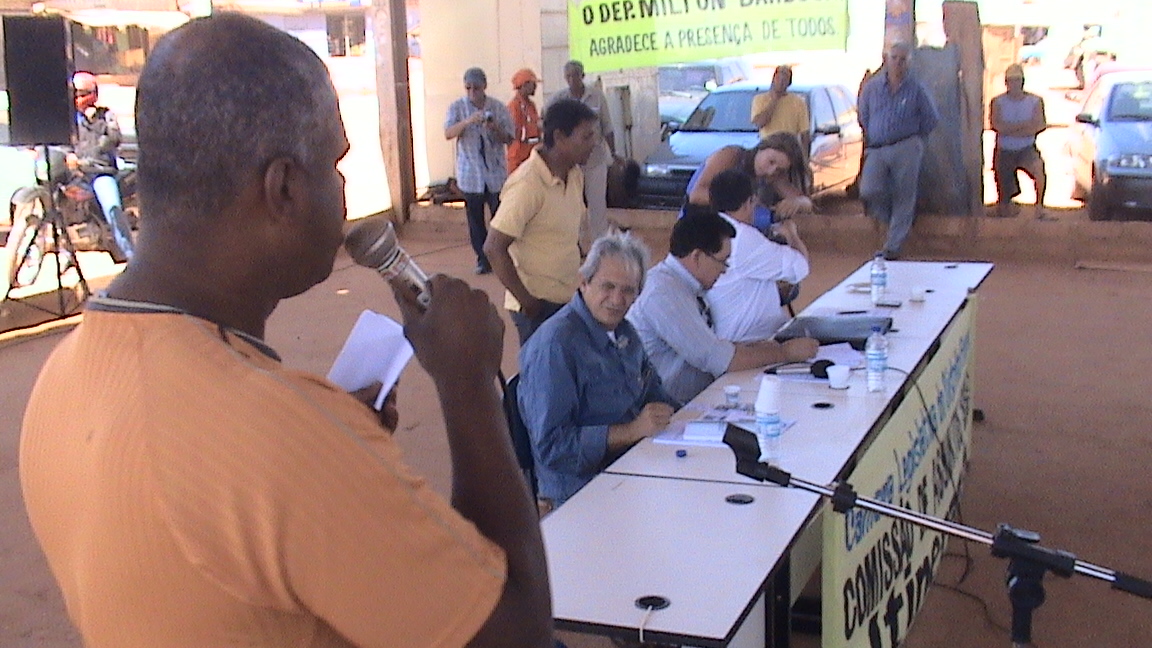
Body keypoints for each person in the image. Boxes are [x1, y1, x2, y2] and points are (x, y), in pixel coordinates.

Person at [20, 14, 552, 648]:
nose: (342, 186)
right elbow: (516, 630)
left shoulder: (60, 379)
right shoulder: (278, 436)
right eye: (333, 163)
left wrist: (325, 443)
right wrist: (467, 388)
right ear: (283, 189)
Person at [518, 232, 678, 509]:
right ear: (584, 283)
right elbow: (553, 447)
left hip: (632, 470)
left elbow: (656, 394)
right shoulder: (556, 345)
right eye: (608, 286)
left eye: (628, 290)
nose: (617, 299)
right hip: (580, 493)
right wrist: (632, 430)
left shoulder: (624, 332)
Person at [627, 211, 818, 403]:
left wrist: (767, 347)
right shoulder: (663, 293)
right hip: (673, 409)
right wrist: (784, 352)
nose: (725, 270)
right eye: (722, 261)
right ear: (697, 257)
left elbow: (718, 348)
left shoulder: (681, 285)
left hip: (694, 399)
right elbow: (719, 359)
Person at [484, 98, 599, 345]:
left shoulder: (574, 174)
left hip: (568, 299)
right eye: (586, 137)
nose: (593, 143)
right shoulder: (528, 184)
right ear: (559, 137)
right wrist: (528, 303)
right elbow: (493, 248)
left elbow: (569, 233)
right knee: (544, 368)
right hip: (537, 306)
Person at [857, 41, 940, 260]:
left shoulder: (916, 88)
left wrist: (915, 140)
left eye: (903, 60)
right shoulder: (872, 87)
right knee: (869, 190)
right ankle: (898, 222)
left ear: (909, 63)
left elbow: (931, 118)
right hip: (878, 148)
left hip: (906, 146)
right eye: (894, 58)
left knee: (905, 194)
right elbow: (863, 115)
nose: (898, 63)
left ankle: (893, 246)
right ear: (886, 59)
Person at [706, 169, 809, 342]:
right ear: (750, 202)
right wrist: (791, 233)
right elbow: (800, 266)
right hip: (751, 340)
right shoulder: (742, 237)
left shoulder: (707, 228)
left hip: (723, 336)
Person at [444, 66, 514, 274]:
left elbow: (509, 138)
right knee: (475, 221)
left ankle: (502, 256)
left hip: (495, 174)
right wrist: (467, 122)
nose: (472, 92)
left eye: (476, 88)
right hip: (471, 174)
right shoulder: (457, 107)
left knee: (500, 219)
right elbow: (448, 133)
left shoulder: (498, 107)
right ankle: (483, 259)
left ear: (485, 87)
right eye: (468, 88)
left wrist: (494, 127)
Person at [547, 60, 615, 251]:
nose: (572, 79)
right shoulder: (559, 100)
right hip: (570, 163)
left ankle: (600, 248)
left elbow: (608, 127)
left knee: (597, 205)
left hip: (595, 160)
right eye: (568, 76)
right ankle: (573, 245)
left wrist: (613, 154)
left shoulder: (597, 96)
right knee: (571, 204)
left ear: (582, 76)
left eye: (575, 75)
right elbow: (548, 126)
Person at [681, 132, 813, 231]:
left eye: (779, 170)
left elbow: (806, 202)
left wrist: (797, 202)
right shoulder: (732, 155)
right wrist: (741, 201)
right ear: (761, 148)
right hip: (696, 223)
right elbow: (696, 195)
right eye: (771, 161)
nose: (771, 171)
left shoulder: (774, 176)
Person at [69, 70, 135, 260]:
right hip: (75, 174)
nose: (77, 99)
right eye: (74, 94)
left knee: (112, 208)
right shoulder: (68, 120)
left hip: (99, 172)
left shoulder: (105, 116)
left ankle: (130, 255)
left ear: (93, 95)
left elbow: (114, 138)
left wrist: (94, 122)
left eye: (82, 94)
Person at [990, 63, 1052, 221]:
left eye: (1017, 80)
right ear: (1006, 83)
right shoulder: (998, 102)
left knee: (1039, 170)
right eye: (1011, 81)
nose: (1014, 84)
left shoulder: (1035, 101)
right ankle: (1004, 205)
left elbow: (1039, 125)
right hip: (1005, 150)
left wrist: (1011, 129)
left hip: (1027, 149)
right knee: (1002, 180)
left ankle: (1040, 207)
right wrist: (1024, 126)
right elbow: (997, 125)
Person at [750, 65, 810, 150]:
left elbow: (804, 133)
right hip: (768, 148)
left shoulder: (798, 103)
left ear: (789, 83)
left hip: (789, 149)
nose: (781, 81)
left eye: (785, 78)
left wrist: (804, 155)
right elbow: (760, 123)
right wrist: (774, 100)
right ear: (773, 79)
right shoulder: (760, 100)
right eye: (779, 77)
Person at [506, 68, 542, 174]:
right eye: (533, 84)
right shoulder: (514, 106)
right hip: (519, 156)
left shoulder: (531, 105)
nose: (535, 87)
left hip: (532, 154)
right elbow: (515, 133)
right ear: (524, 85)